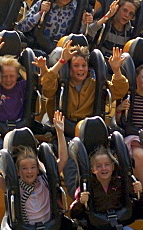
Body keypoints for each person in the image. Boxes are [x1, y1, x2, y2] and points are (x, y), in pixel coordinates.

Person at [37, 43, 129, 193]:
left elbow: (119, 90)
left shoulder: (94, 84)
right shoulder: (60, 84)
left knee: (107, 155)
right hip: (65, 133)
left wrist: (116, 70)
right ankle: (76, 196)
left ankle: (109, 193)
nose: (81, 69)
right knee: (71, 160)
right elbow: (46, 86)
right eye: (76, 66)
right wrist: (61, 61)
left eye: (84, 65)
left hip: (89, 132)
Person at [17, 0, 92, 50]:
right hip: (36, 45)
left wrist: (84, 23)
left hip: (60, 50)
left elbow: (79, 38)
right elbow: (22, 27)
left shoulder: (75, 11)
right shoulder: (42, 4)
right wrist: (40, 13)